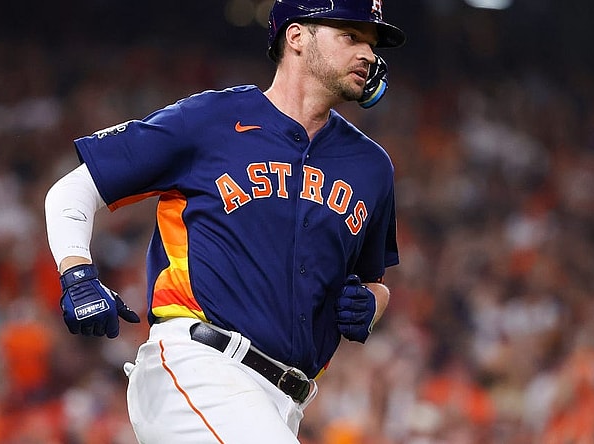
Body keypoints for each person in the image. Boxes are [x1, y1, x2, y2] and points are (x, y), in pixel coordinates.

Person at [44, 0, 405, 442]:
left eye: (372, 42)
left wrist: (370, 307)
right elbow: (72, 190)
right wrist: (77, 275)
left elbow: (373, 281)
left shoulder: (371, 167)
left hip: (285, 401)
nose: (368, 53)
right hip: (198, 366)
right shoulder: (210, 121)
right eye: (351, 36)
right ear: (295, 37)